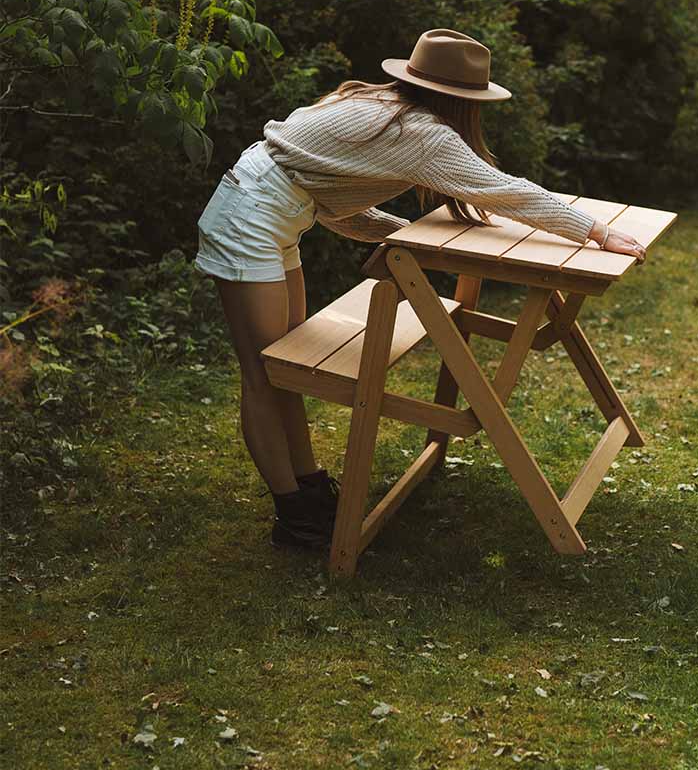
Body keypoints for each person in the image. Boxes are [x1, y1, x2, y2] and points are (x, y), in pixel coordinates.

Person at [193, 28, 647, 551]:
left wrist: (400, 237)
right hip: (250, 216)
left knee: (283, 371)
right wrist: (594, 230)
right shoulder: (421, 134)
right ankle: (294, 515)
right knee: (265, 372)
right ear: (464, 100)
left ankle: (309, 486)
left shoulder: (381, 107)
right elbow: (505, 192)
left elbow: (323, 192)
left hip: (276, 213)